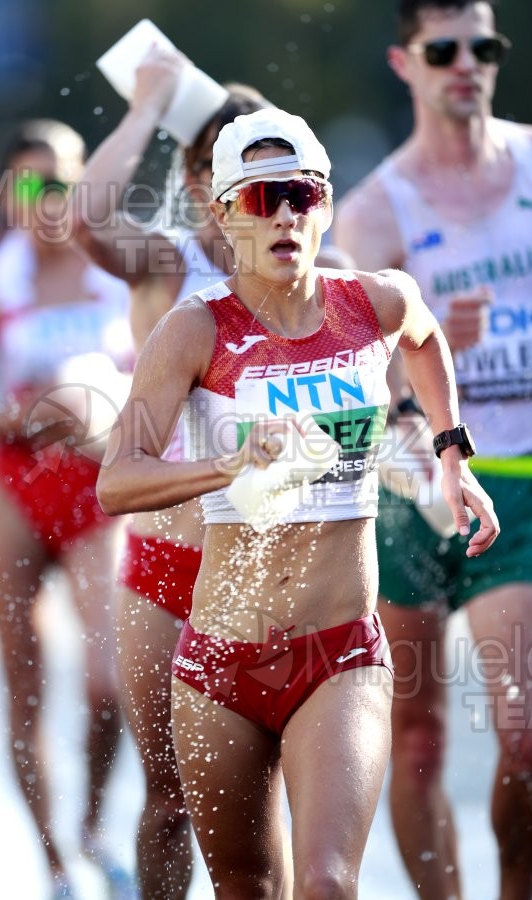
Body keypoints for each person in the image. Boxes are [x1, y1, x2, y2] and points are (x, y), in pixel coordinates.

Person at [93, 105, 499, 898]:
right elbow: (117, 480)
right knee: (251, 890)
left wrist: (452, 454)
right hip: (218, 665)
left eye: (302, 195)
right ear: (222, 215)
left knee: (326, 885)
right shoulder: (192, 331)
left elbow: (422, 336)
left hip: (338, 653)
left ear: (324, 206)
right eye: (260, 197)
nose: (283, 214)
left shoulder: (373, 303)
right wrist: (227, 465)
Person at [72, 45, 353, 898]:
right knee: (167, 805)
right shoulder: (167, 266)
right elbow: (83, 216)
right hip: (168, 569)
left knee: (265, 826)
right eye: (215, 168)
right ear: (199, 183)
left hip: (277, 579)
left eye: (267, 174)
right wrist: (148, 108)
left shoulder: (316, 282)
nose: (247, 196)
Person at [333, 2, 532, 898]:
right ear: (404, 63)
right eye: (443, 49)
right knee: (415, 733)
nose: (467, 65)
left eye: (482, 47)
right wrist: (421, 415)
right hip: (418, 482)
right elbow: (359, 377)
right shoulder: (375, 213)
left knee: (525, 738)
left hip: (518, 481)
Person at [0, 119, 136, 899]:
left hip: (101, 490)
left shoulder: (119, 270)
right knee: (25, 684)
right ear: (6, 198)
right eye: (25, 185)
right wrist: (16, 418)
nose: (42, 199)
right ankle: (53, 862)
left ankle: (89, 826)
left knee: (105, 684)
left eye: (57, 182)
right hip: (17, 488)